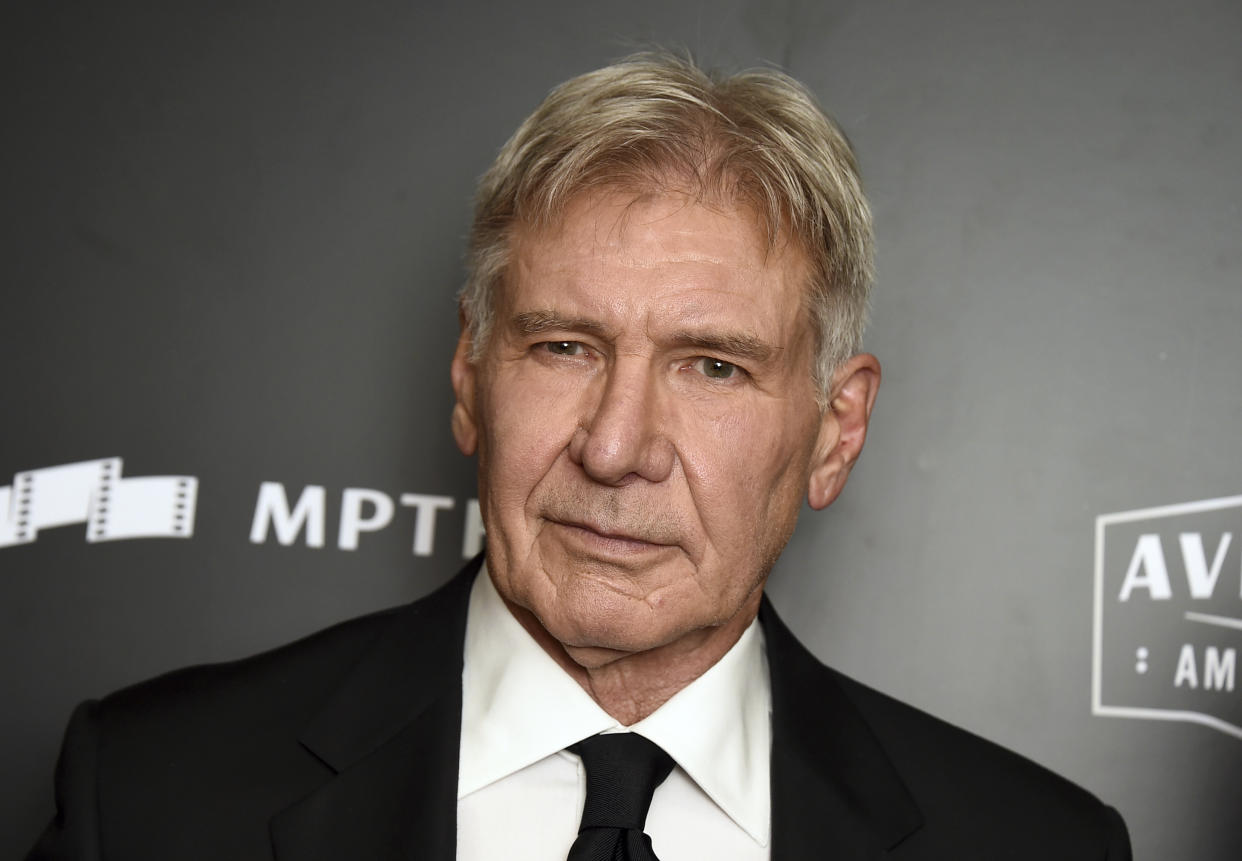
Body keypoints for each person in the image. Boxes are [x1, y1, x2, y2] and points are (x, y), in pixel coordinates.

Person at [28, 52, 1130, 860]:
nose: (615, 448)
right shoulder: (152, 795)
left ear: (834, 431)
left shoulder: (1038, 846)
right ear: (470, 375)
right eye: (563, 347)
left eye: (712, 367)